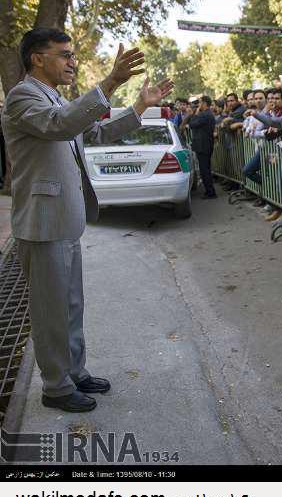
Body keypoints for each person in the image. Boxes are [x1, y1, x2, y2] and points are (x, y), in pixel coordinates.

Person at [0, 28, 173, 413]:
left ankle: (74, 372)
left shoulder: (55, 97)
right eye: (64, 55)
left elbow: (93, 131)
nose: (72, 61)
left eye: (72, 55)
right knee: (50, 310)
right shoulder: (22, 96)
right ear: (36, 59)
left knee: (70, 304)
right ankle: (56, 386)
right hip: (42, 223)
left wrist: (139, 107)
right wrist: (111, 80)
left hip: (64, 220)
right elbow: (61, 124)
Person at [184, 95, 217, 199]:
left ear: (204, 103)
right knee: (205, 169)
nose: (198, 105)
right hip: (204, 145)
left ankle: (210, 192)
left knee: (204, 170)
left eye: (200, 102)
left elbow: (193, 124)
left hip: (203, 146)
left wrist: (195, 114)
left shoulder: (204, 115)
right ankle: (209, 191)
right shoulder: (207, 114)